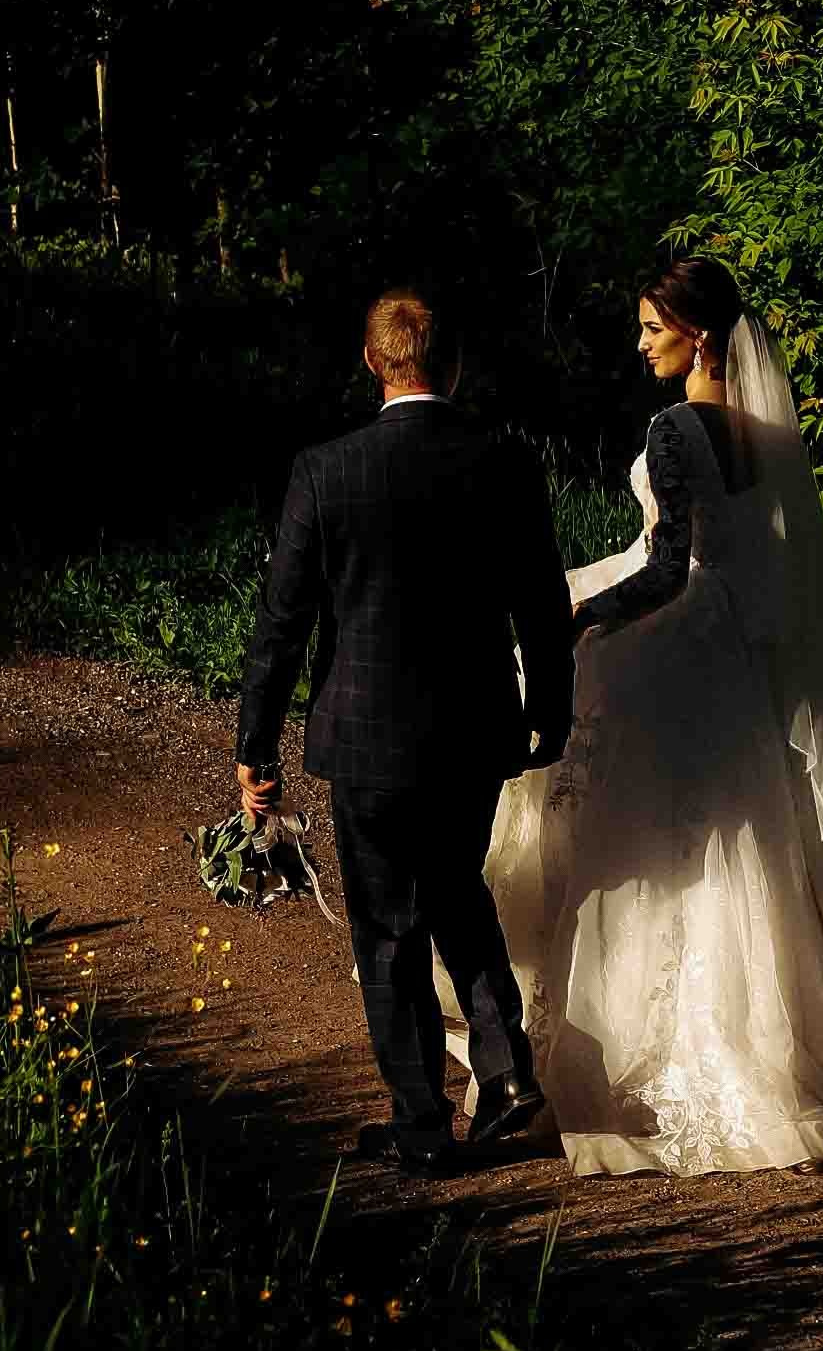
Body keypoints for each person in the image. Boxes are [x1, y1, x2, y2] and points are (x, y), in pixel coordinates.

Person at [469, 257, 823, 1175]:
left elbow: (665, 567)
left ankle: (666, 1054)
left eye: (654, 329)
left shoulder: (677, 427)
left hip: (683, 637)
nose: (641, 344)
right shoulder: (761, 427)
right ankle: (789, 1034)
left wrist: (583, 615)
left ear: (702, 337)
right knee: (747, 835)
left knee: (655, 841)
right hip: (737, 641)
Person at [236, 287, 575, 1178]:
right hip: (472, 730)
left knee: (389, 922)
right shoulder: (502, 460)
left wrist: (255, 745)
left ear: (373, 362)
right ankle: (503, 1074)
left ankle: (424, 1122)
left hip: (365, 737)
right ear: (452, 364)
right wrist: (550, 706)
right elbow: (540, 601)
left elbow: (283, 619)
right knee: (458, 889)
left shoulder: (326, 470)